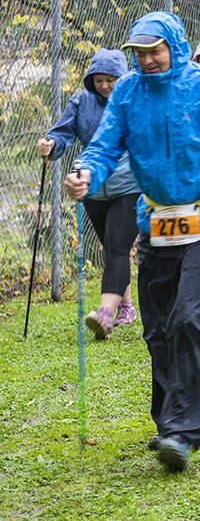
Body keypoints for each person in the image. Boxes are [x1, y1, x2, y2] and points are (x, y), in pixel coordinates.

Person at [64, 11, 200, 472]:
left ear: (175, 46)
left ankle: (184, 430)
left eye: (155, 50)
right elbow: (107, 144)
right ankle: (168, 420)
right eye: (139, 53)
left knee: (188, 317)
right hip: (155, 222)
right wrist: (87, 172)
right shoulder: (127, 91)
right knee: (157, 328)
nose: (147, 59)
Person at [38, 48, 140, 339]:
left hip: (128, 184)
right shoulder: (82, 101)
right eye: (99, 80)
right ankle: (126, 306)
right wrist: (50, 145)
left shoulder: (132, 99)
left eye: (111, 79)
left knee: (117, 246)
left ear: (122, 77)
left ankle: (105, 314)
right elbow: (62, 132)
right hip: (92, 186)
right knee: (112, 249)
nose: (105, 86)